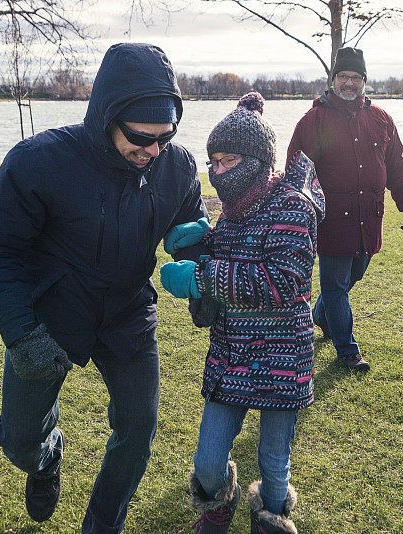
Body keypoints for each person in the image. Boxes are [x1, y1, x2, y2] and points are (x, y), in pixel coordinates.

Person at [0, 43, 209, 533]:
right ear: (107, 117)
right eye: (141, 136)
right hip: (50, 317)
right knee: (17, 438)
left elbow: (189, 228)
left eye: (166, 136)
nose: (153, 150)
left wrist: (199, 265)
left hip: (127, 315)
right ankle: (45, 456)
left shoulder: (177, 166)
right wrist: (21, 333)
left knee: (138, 432)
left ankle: (102, 525)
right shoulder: (38, 162)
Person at [159, 93, 324, 534]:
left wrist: (203, 276)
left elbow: (281, 281)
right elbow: (232, 254)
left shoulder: (291, 206)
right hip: (231, 356)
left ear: (256, 158)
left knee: (274, 464)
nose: (217, 171)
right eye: (212, 161)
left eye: (227, 160)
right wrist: (198, 243)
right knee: (208, 460)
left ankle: (270, 519)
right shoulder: (230, 213)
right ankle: (219, 500)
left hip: (282, 359)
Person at [287, 46, 403, 373]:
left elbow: (397, 165)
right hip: (330, 220)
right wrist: (299, 216)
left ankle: (320, 316)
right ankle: (347, 350)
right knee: (335, 286)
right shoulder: (313, 121)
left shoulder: (381, 119)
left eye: (356, 77)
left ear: (364, 81)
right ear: (333, 79)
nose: (349, 83)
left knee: (353, 276)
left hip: (368, 218)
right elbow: (297, 172)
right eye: (343, 76)